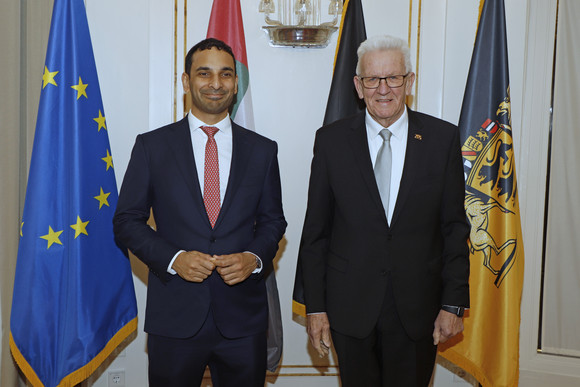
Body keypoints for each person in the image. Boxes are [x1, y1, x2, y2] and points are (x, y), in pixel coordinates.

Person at [296, 35, 470, 386]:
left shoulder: (442, 139)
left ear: (410, 81)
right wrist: (315, 308)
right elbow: (316, 230)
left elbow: (454, 228)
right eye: (373, 79)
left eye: (393, 77)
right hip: (350, 309)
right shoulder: (331, 141)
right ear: (358, 86)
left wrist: (452, 304)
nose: (383, 88)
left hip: (418, 311)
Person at [113, 38, 286, 387]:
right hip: (174, 318)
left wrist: (253, 258)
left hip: (242, 321)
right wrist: (174, 258)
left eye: (225, 75)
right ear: (186, 81)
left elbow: (273, 221)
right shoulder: (152, 146)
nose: (215, 83)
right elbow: (126, 221)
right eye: (204, 73)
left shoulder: (262, 150)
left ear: (236, 84)